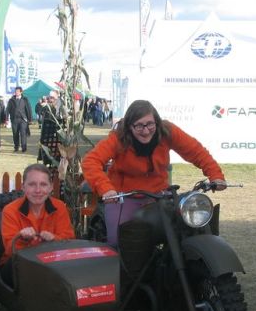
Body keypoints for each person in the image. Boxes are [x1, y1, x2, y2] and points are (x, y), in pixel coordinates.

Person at [81, 99, 227, 247]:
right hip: (125, 197)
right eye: (139, 126)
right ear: (129, 126)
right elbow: (90, 161)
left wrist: (216, 175)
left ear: (156, 121)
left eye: (150, 124)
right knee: (120, 241)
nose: (145, 131)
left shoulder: (167, 132)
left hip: (160, 195)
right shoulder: (119, 138)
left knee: (188, 226)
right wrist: (106, 189)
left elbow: (196, 151)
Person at [0, 163, 75, 281]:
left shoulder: (59, 207)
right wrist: (22, 238)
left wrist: (53, 238)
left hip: (52, 265)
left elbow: (69, 240)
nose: (38, 190)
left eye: (43, 184)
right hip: (18, 265)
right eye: (32, 184)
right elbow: (10, 250)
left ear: (51, 187)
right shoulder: (10, 211)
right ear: (23, 187)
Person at [37, 91, 62, 170]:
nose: (50, 100)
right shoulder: (46, 108)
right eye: (49, 98)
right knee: (47, 158)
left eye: (52, 98)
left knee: (57, 157)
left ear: (57, 98)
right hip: (47, 136)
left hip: (58, 137)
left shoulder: (61, 107)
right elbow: (42, 118)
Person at [6, 86, 32, 152]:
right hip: (14, 119)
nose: (16, 92)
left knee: (23, 133)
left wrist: (30, 119)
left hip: (23, 119)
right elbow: (7, 109)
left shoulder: (25, 99)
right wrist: (6, 119)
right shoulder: (11, 100)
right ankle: (16, 147)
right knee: (15, 134)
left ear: (21, 92)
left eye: (17, 91)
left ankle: (24, 147)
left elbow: (29, 109)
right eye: (15, 91)